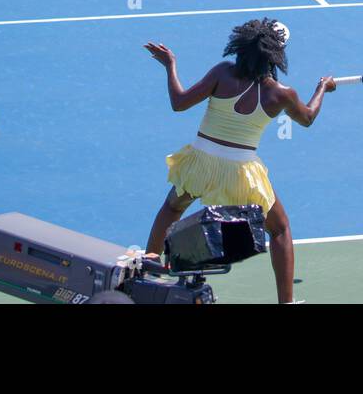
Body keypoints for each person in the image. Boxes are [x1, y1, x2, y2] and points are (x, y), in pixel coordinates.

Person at [143, 20, 336, 305]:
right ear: (276, 55)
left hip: (201, 164)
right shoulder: (281, 94)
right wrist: (322, 88)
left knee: (172, 209)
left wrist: (170, 64)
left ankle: (147, 269)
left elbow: (179, 102)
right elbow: (307, 118)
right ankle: (286, 303)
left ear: (242, 47)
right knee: (280, 230)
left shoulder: (222, 73)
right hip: (240, 174)